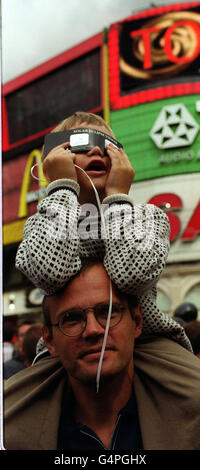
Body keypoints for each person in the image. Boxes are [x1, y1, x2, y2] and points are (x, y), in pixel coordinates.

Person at [15, 111, 191, 351]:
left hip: (145, 346)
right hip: (64, 353)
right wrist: (62, 188)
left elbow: (133, 276)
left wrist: (118, 199)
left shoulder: (148, 217)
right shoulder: (41, 225)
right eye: (80, 144)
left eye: (108, 146)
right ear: (54, 161)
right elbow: (50, 272)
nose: (97, 151)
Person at [4, 261, 200, 450]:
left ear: (137, 321)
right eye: (71, 318)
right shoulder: (11, 431)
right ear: (50, 340)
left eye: (108, 312)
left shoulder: (192, 415)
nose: (93, 330)